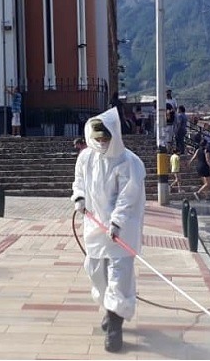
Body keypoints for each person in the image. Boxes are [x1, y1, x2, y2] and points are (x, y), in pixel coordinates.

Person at [71, 107, 146, 353]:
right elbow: (79, 179)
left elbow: (128, 197)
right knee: (95, 271)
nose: (102, 143)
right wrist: (79, 196)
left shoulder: (128, 162)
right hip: (94, 226)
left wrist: (117, 222)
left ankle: (115, 326)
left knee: (118, 277)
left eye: (105, 139)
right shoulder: (86, 157)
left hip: (120, 230)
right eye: (98, 139)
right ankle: (110, 308)